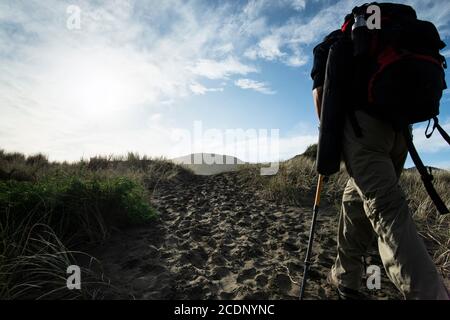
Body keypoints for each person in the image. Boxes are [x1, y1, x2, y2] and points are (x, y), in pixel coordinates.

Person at [310, 17, 450, 300]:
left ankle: (430, 294)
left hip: (363, 132)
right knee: (355, 200)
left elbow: (320, 96)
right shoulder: (397, 38)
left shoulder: (332, 44)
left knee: (386, 210)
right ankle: (346, 277)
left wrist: (331, 141)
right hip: (401, 133)